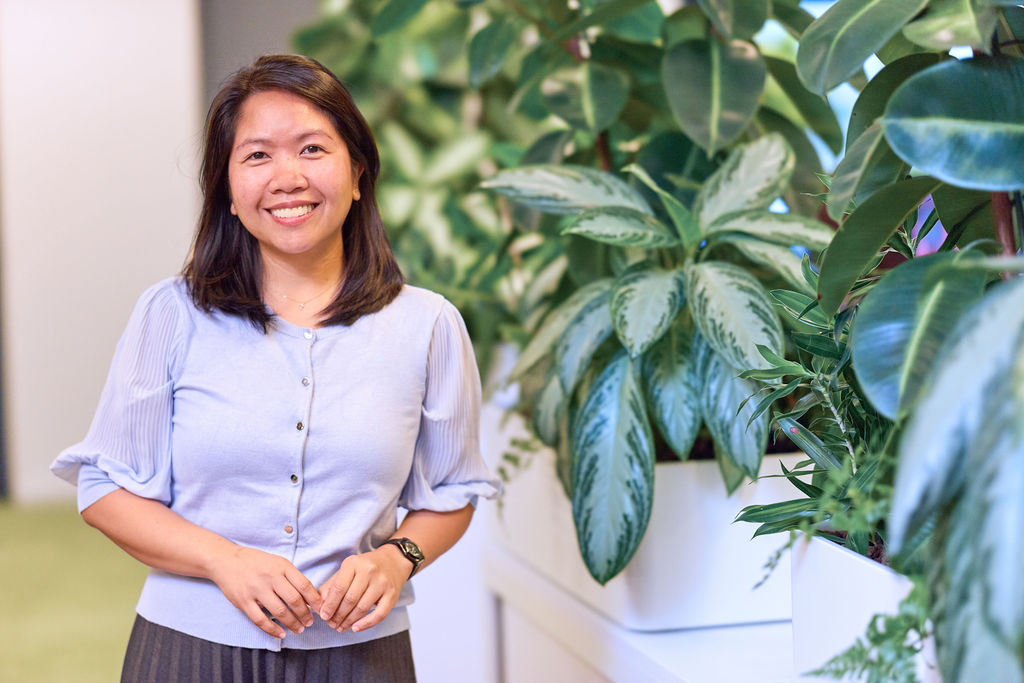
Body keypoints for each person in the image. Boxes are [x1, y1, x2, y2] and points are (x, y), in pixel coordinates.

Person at [50, 54, 500, 682]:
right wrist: (223, 561)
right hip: (190, 648)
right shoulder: (171, 314)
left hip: (360, 655)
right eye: (257, 156)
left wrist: (397, 559)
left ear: (358, 173)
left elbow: (451, 492)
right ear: (229, 191)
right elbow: (106, 490)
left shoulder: (427, 325)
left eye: (312, 148)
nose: (287, 176)